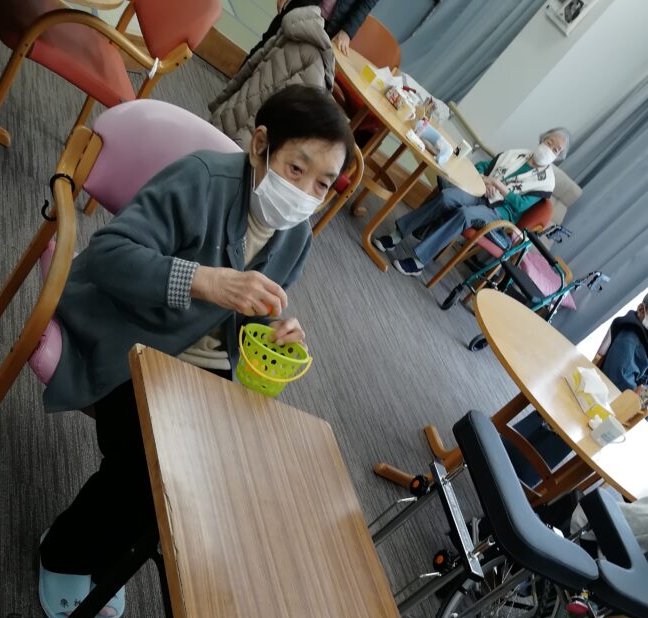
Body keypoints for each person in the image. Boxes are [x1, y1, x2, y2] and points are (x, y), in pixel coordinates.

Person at [37, 85, 354, 618]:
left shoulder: (296, 235)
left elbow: (247, 309)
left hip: (197, 362)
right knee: (148, 466)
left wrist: (275, 327)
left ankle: (104, 549)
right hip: (125, 333)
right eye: (296, 169)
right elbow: (109, 254)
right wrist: (203, 280)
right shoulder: (202, 180)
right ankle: (63, 552)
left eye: (322, 184)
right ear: (260, 144)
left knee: (222, 472)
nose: (304, 192)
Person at [372, 128, 571, 276]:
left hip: (500, 213)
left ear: (558, 157)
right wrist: (485, 179)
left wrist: (498, 185)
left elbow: (519, 205)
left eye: (556, 149)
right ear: (542, 139)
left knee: (465, 214)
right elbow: (483, 166)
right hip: (480, 191)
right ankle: (398, 234)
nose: (550, 149)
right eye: (549, 142)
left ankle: (419, 261)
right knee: (447, 197)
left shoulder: (546, 182)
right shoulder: (517, 154)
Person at [508, 291, 648, 488]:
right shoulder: (631, 338)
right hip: (594, 406)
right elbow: (619, 382)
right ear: (641, 310)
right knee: (547, 441)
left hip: (599, 404)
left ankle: (513, 467)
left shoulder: (642, 340)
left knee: (544, 438)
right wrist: (638, 398)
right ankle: (511, 473)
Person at [209, 5, 335, 149]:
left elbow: (251, 66)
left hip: (228, 115)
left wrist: (222, 100)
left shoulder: (295, 27)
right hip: (242, 143)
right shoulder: (316, 72)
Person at [248, 0, 380, 61]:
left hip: (330, 26)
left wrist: (347, 31)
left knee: (294, 68)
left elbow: (366, 3)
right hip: (302, 4)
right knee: (267, 45)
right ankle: (237, 87)